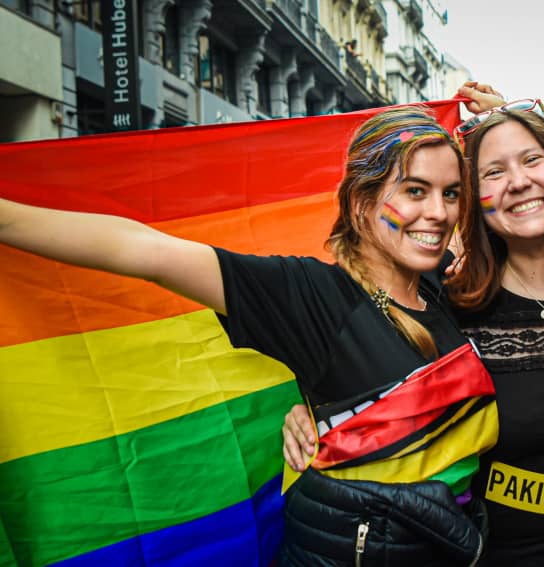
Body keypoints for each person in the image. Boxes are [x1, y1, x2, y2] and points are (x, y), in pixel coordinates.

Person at [0, 107, 498, 566]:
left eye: (450, 193)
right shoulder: (310, 296)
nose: (438, 212)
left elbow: (529, 219)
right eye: (415, 191)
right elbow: (145, 252)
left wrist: (496, 119)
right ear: (363, 202)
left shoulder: (438, 286)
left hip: (446, 544)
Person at [286, 99, 544, 566]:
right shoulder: (450, 302)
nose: (519, 181)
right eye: (492, 174)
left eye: (532, 160)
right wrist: (310, 405)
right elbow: (357, 347)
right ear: (473, 200)